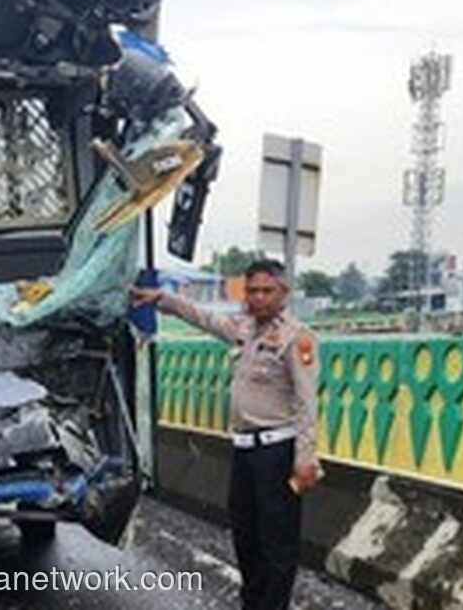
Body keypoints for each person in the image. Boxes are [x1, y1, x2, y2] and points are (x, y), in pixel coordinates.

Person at [130, 259, 322, 610]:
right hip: (245, 451)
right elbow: (204, 318)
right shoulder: (245, 330)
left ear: (283, 293)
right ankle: (252, 603)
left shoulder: (298, 338)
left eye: (267, 291)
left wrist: (305, 459)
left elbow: (307, 404)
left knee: (276, 543)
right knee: (245, 536)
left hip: (276, 452)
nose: (258, 297)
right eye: (252, 291)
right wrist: (163, 299)